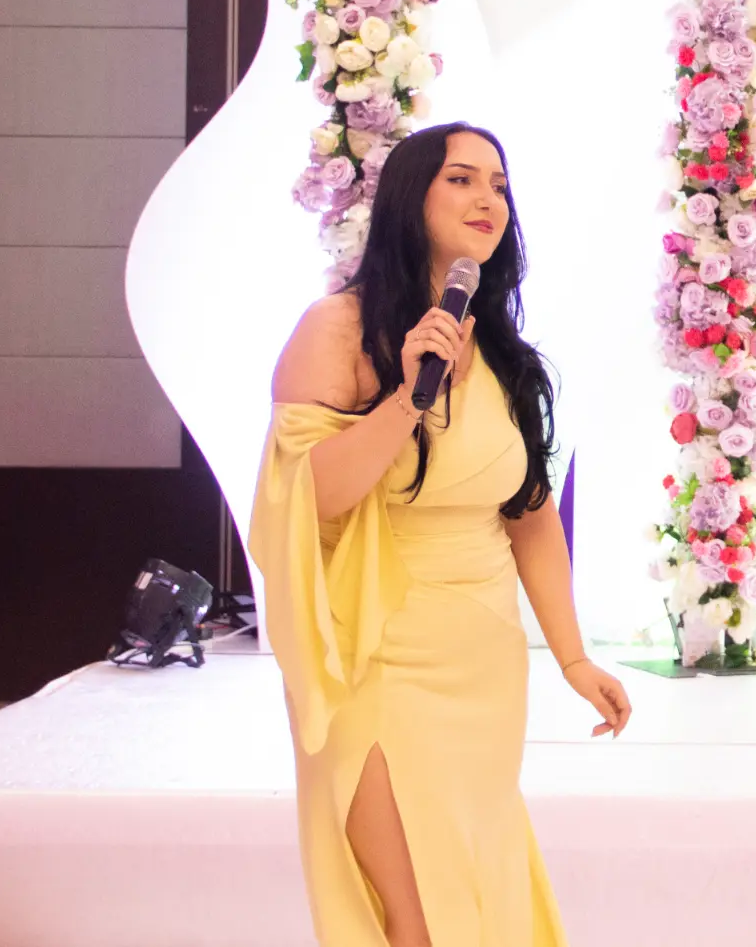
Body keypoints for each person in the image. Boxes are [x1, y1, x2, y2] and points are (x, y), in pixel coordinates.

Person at [251, 122, 631, 947]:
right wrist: (405, 400)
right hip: (376, 657)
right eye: (462, 179)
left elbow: (529, 518)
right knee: (413, 913)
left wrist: (573, 657)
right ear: (410, 196)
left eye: (498, 184)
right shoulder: (337, 328)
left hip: (481, 664)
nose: (486, 198)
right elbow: (308, 497)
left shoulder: (503, 352)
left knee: (473, 890)